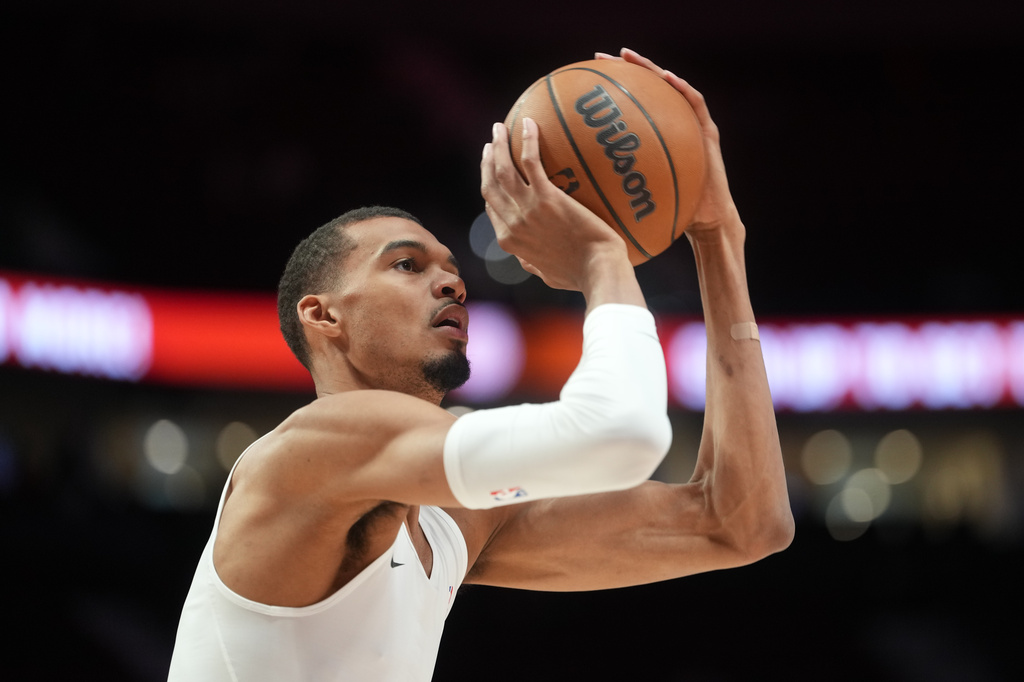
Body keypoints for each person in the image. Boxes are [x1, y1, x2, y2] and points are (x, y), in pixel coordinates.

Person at [167, 47, 794, 681]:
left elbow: (740, 524)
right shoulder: (311, 450)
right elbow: (622, 436)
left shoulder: (450, 531)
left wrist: (718, 239)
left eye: (453, 271)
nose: (451, 285)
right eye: (407, 265)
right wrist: (603, 260)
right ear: (322, 316)